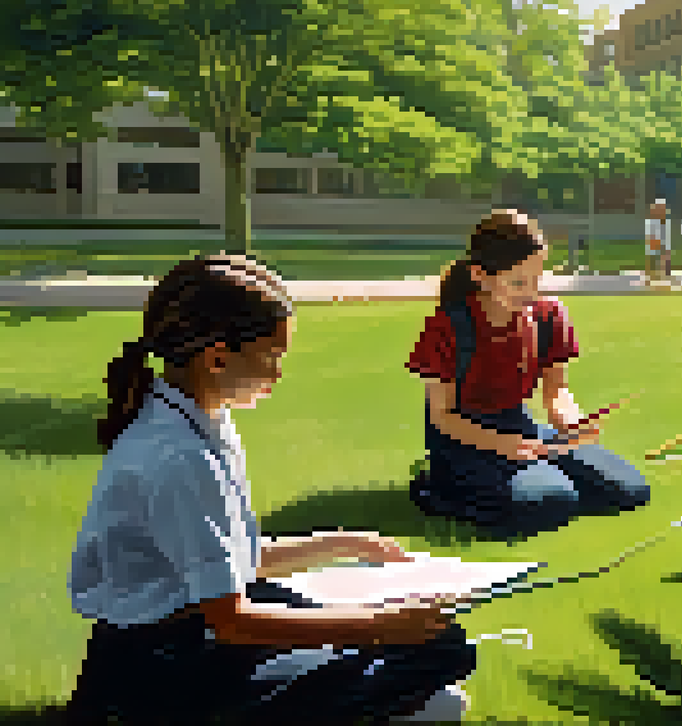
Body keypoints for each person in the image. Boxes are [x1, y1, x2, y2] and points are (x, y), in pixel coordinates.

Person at [68, 255, 476, 725]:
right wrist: (386, 627)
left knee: (430, 648)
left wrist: (344, 545)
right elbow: (232, 620)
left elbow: (227, 560)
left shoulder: (197, 418)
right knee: (441, 654)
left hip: (187, 635)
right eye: (271, 358)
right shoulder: (178, 456)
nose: (278, 374)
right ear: (218, 357)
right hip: (168, 662)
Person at [407, 210, 650, 538]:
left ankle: (534, 480)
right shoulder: (448, 325)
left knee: (630, 490)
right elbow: (442, 417)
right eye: (518, 282)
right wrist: (501, 444)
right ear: (481, 275)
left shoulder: (550, 316)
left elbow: (556, 392)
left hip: (519, 424)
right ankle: (438, 485)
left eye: (538, 279)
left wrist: (572, 423)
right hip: (461, 435)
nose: (531, 293)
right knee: (552, 501)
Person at [644, 199, 672, 286]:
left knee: (665, 255)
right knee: (653, 255)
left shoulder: (666, 223)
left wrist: (665, 248)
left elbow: (667, 238)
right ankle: (650, 276)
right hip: (654, 245)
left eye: (663, 209)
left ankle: (663, 276)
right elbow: (651, 237)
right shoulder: (651, 222)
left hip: (663, 246)